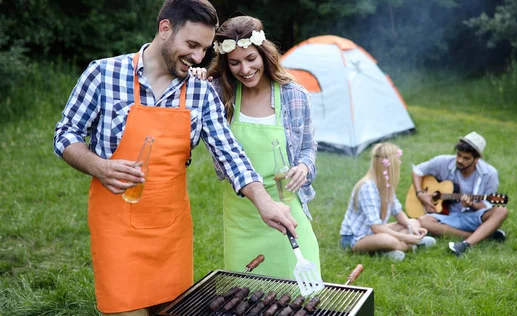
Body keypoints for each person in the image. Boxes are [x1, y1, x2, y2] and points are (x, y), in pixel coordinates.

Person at [53, 1, 298, 315]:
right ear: (165, 29)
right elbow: (66, 134)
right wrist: (99, 166)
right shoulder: (103, 74)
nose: (198, 57)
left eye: (205, 49)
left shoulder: (200, 92)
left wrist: (264, 201)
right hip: (116, 232)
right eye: (192, 45)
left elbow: (230, 153)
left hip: (171, 234)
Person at [191, 15, 320, 279]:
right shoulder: (216, 94)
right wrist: (193, 83)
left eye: (251, 59)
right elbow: (183, 125)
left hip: (287, 209)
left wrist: (305, 167)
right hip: (242, 218)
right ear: (225, 64)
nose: (245, 69)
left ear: (265, 54)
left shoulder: (294, 95)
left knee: (302, 298)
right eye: (235, 63)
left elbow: (309, 147)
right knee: (246, 297)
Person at [412, 131, 508, 257]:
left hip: (472, 215)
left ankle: (465, 244)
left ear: (476, 159)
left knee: (502, 211)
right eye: (458, 155)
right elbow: (417, 170)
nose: (460, 160)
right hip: (448, 215)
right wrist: (420, 194)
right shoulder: (444, 162)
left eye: (466, 158)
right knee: (422, 221)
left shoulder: (490, 174)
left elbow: (487, 205)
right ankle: (480, 235)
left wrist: (472, 204)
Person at [339, 143, 436, 261]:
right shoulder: (367, 187)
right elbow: (376, 227)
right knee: (387, 240)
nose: (400, 163)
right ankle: (407, 245)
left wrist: (411, 227)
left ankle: (396, 248)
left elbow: (397, 212)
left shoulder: (386, 184)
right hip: (355, 238)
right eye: (397, 160)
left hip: (374, 232)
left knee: (414, 222)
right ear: (387, 164)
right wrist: (406, 237)